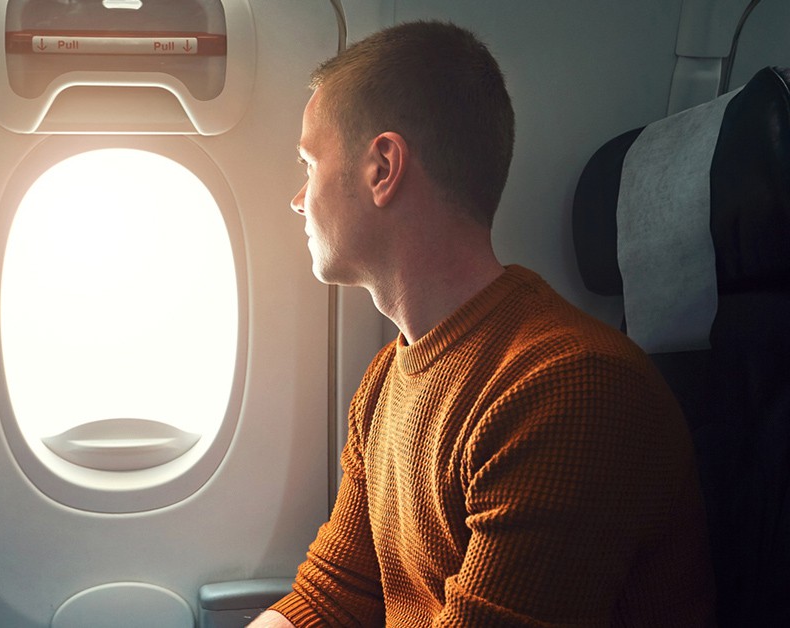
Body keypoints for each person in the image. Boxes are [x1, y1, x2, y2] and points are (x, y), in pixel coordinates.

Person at [250, 21, 715, 627]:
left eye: (309, 162)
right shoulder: (386, 382)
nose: (297, 198)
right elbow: (332, 595)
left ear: (382, 167)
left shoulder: (569, 388)